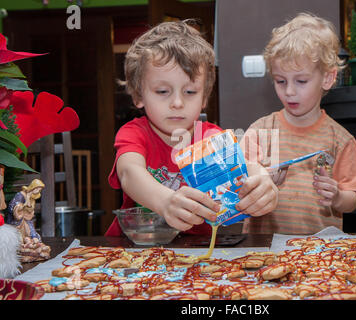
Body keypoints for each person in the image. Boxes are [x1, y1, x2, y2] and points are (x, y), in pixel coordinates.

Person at [106, 20, 278, 237]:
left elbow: (247, 167)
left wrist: (263, 182)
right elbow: (129, 173)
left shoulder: (210, 137)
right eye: (162, 91)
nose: (177, 102)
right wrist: (165, 202)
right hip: (134, 248)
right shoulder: (134, 133)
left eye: (190, 92)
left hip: (196, 253)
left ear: (204, 97)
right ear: (138, 95)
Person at [241, 13, 356, 234]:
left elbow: (353, 200)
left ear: (328, 78)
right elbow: (237, 180)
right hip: (263, 249)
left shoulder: (340, 139)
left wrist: (338, 196)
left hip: (318, 255)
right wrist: (259, 179)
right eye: (280, 81)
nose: (289, 91)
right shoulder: (260, 131)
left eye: (301, 81)